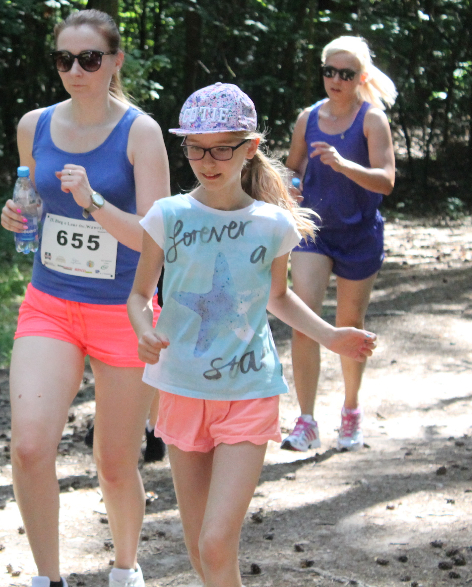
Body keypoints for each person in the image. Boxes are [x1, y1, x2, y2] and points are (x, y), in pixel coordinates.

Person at [127, 82, 377, 587]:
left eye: (222, 147)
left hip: (248, 392)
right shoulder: (167, 215)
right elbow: (137, 295)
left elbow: (278, 297)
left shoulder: (272, 224)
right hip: (180, 387)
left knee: (218, 542)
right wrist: (143, 330)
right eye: (195, 148)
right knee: (201, 550)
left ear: (251, 148)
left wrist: (330, 336)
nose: (207, 160)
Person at [0, 9, 170, 587]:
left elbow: (156, 239)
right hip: (50, 303)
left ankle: (125, 570)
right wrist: (19, 218)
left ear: (116, 62)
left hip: (123, 311)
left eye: (90, 59)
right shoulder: (34, 125)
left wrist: (94, 201)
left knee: (117, 464)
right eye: (64, 59)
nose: (76, 70)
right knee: (28, 447)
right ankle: (48, 578)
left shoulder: (140, 132)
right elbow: (34, 207)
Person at [281, 36, 397, 452]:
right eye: (329, 71)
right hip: (314, 232)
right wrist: (291, 187)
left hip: (360, 234)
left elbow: (386, 180)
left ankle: (350, 412)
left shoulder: (372, 120)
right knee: (304, 317)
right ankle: (306, 419)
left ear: (360, 78)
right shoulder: (307, 118)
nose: (335, 79)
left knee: (350, 323)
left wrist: (344, 164)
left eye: (345, 74)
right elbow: (291, 169)